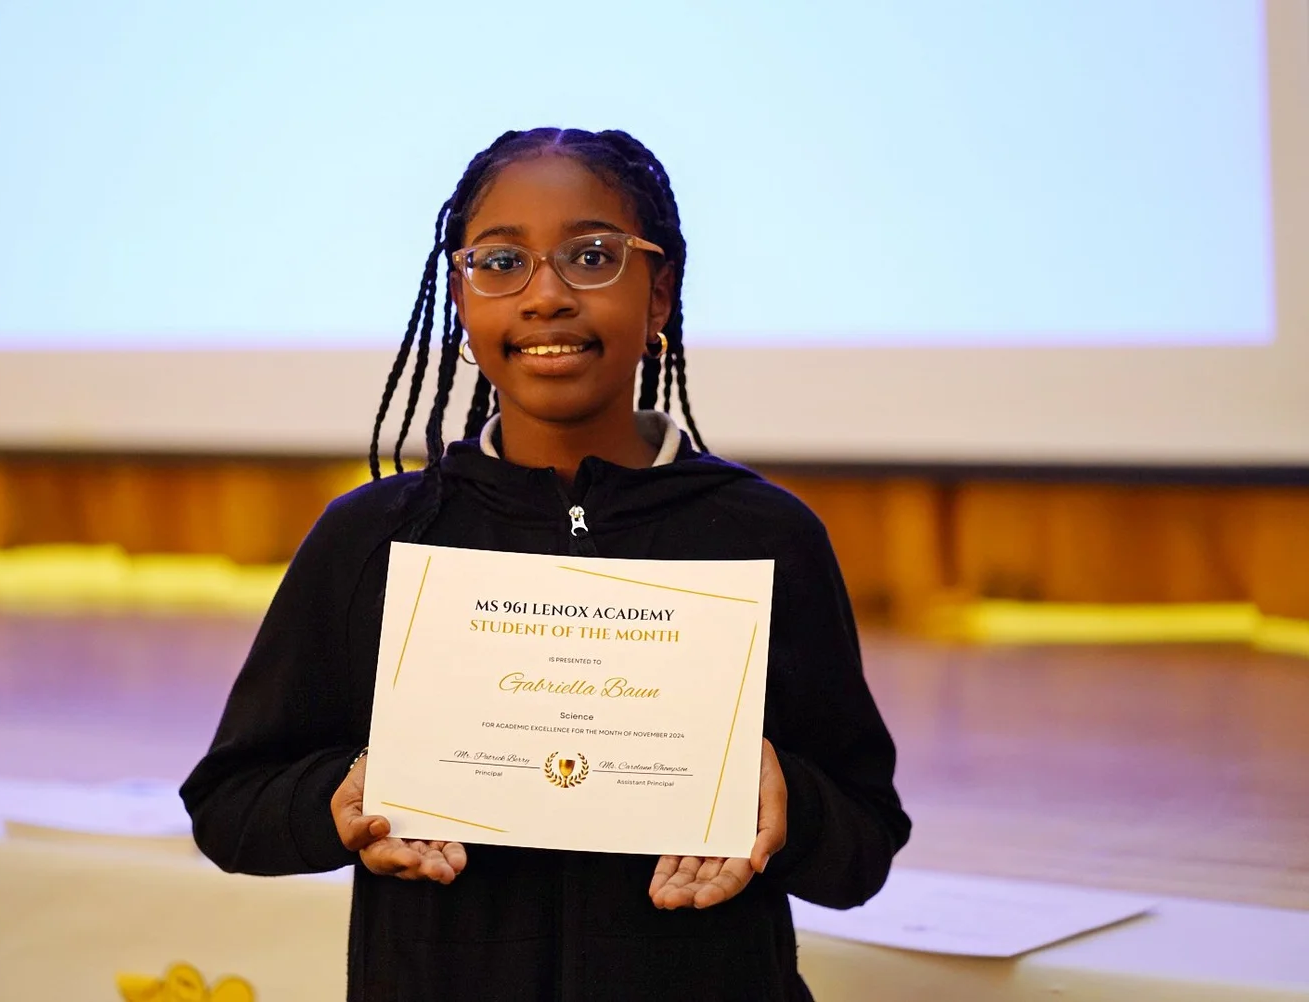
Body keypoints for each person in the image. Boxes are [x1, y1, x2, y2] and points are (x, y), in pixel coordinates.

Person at [181, 127, 910, 1001]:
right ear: (460, 297)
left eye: (593, 256)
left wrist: (786, 799)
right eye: (500, 263)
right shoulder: (372, 536)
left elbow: (864, 843)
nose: (546, 296)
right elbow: (230, 807)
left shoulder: (766, 534)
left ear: (661, 293)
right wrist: (340, 800)